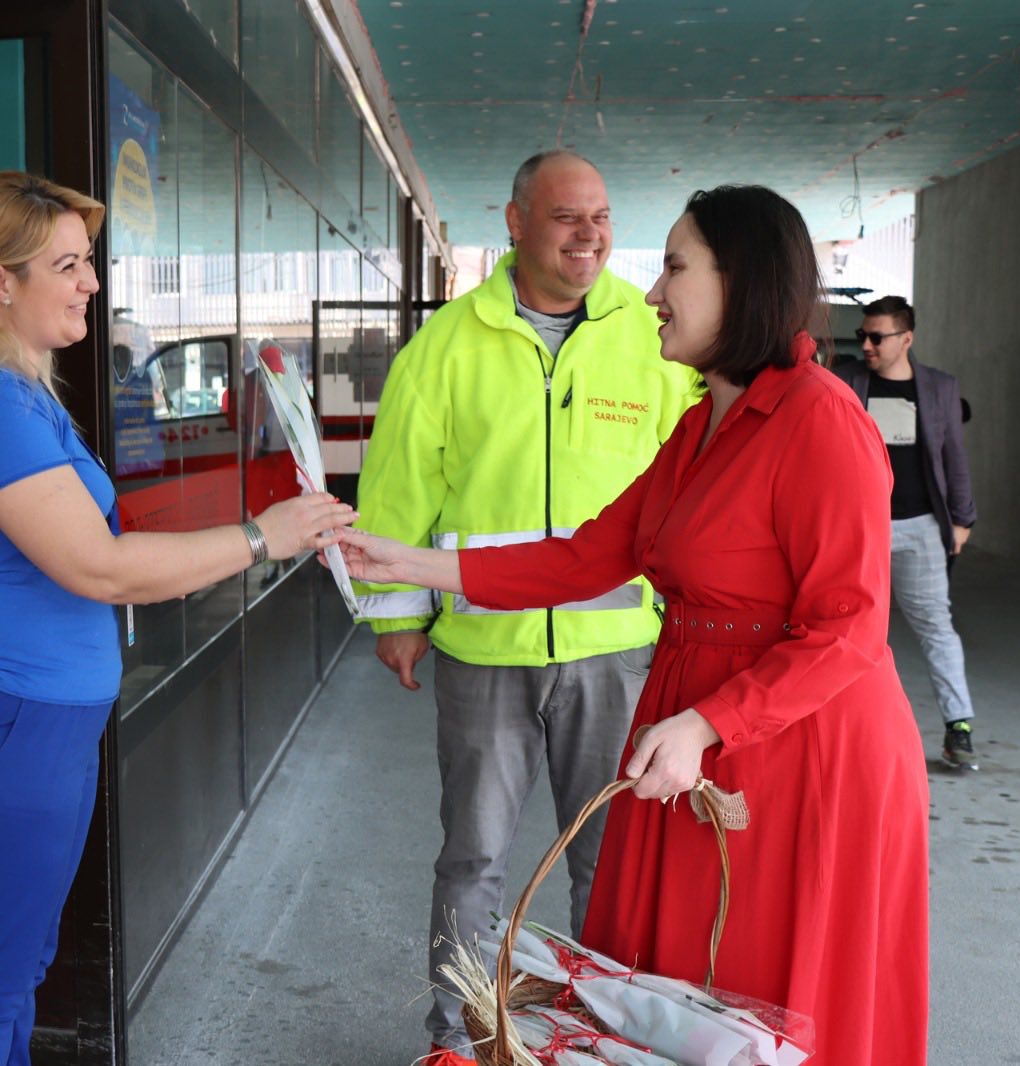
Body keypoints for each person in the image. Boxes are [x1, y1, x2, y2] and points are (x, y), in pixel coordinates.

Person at [340, 185, 931, 1065]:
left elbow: (849, 628)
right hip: (696, 728)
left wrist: (708, 723)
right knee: (685, 988)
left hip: (795, 748)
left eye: (675, 268)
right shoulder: (701, 422)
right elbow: (585, 556)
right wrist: (407, 563)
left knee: (763, 988)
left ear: (740, 282)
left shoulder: (820, 418)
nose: (652, 293)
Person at [0, 171, 354, 1065]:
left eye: (89, 261)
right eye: (67, 265)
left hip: (39, 721)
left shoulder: (16, 387)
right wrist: (259, 538)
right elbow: (97, 565)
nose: (91, 283)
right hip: (7, 721)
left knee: (19, 968)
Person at [350, 150, 697, 1064]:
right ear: (514, 222)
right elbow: (399, 488)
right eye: (566, 216)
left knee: (612, 866)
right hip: (486, 647)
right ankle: (459, 1040)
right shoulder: (447, 346)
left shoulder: (650, 335)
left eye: (601, 217)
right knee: (472, 861)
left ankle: (607, 1040)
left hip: (618, 651)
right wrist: (396, 618)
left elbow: (696, 478)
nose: (590, 235)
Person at [837, 295, 981, 769]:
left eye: (877, 337)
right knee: (845, 628)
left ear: (906, 339)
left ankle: (958, 727)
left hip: (920, 526)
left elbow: (954, 458)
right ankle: (845, 732)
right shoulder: (847, 381)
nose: (867, 345)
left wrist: (962, 519)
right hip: (860, 528)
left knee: (936, 626)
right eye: (863, 335)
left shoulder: (938, 388)